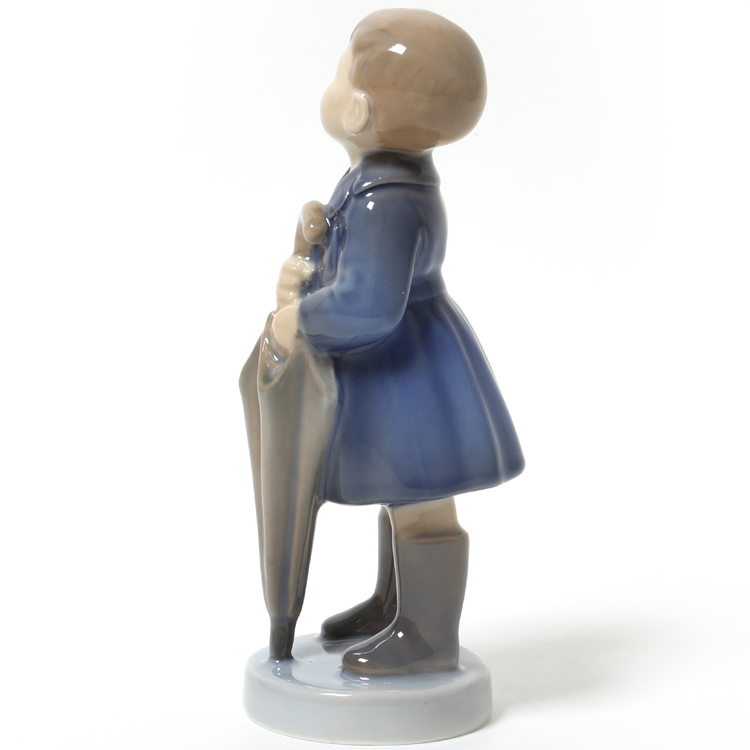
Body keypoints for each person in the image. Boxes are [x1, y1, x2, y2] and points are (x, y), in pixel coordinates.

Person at [264, 9, 524, 675]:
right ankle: (395, 602)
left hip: (407, 368)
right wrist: (315, 246)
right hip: (404, 360)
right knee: (401, 487)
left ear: (358, 111)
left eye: (338, 74)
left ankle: (428, 634)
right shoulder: (378, 181)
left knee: (419, 496)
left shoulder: (388, 198)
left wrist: (302, 319)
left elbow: (368, 305)